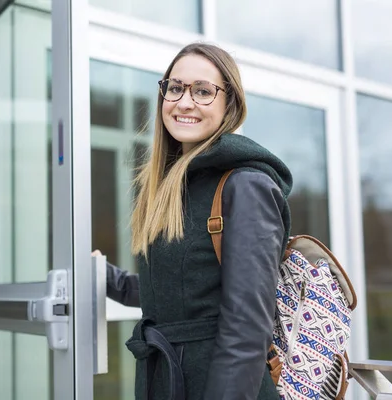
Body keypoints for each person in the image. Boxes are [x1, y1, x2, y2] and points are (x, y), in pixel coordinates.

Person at [97, 42, 292, 400]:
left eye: (203, 91)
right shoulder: (170, 186)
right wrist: (102, 277)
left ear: (229, 104)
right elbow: (184, 292)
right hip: (167, 380)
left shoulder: (246, 186)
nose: (184, 102)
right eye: (175, 88)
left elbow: (247, 328)